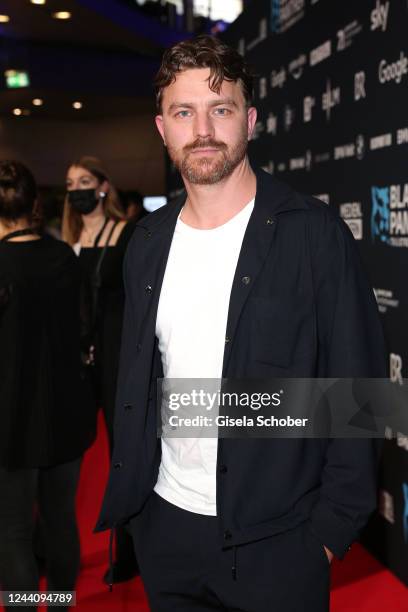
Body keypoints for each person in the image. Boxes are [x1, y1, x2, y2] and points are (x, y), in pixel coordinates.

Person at [95, 35, 387, 611]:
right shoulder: (146, 242)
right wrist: (143, 518)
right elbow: (139, 379)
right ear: (163, 128)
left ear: (249, 120)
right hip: (166, 530)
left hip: (280, 543)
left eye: (220, 109)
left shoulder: (316, 235)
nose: (202, 130)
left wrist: (327, 536)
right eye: (184, 112)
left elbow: (362, 394)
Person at [0, 160, 95, 611]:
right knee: (59, 523)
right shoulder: (62, 258)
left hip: (10, 418)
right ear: (35, 204)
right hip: (64, 413)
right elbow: (83, 330)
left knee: (14, 531)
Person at [62, 156, 138, 585]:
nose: (77, 189)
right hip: (75, 360)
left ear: (103, 187)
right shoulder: (66, 239)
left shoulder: (125, 234)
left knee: (121, 456)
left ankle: (129, 550)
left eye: (85, 181)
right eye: (71, 183)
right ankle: (48, 545)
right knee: (62, 454)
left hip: (115, 357)